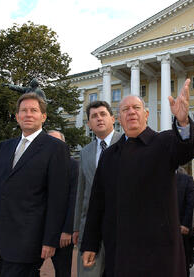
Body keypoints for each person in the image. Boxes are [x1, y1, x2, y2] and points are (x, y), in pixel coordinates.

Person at [81, 79, 194, 277]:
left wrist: (183, 121)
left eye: (136, 107)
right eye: (125, 109)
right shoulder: (110, 155)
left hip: (159, 251)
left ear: (146, 114)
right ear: (119, 118)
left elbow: (188, 148)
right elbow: (97, 203)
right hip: (121, 250)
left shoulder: (164, 142)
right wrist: (90, 244)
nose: (131, 112)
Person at [0, 92, 70, 277]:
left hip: (29, 240)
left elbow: (58, 198)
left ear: (43, 116)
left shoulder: (56, 148)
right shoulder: (5, 147)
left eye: (34, 110)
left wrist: (50, 240)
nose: (28, 114)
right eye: (23, 111)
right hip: (0, 239)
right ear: (17, 116)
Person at [73, 100, 121, 277]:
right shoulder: (85, 152)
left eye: (103, 114)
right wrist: (77, 226)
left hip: (120, 227)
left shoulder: (126, 145)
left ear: (112, 118)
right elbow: (81, 192)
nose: (99, 118)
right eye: (94, 116)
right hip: (90, 229)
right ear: (89, 124)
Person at [47, 130, 79, 277]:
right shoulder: (38, 165)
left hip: (62, 233)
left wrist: (67, 230)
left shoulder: (73, 166)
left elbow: (74, 199)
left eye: (57, 142)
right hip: (36, 231)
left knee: (63, 271)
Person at [176, 167, 194, 277]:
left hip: (181, 228)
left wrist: (185, 224)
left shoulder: (186, 180)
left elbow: (190, 203)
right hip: (161, 229)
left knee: (183, 260)